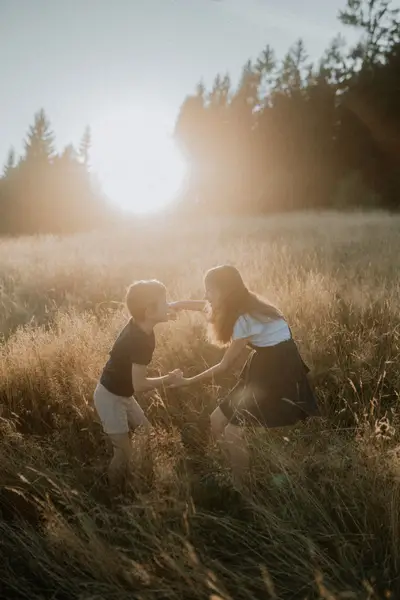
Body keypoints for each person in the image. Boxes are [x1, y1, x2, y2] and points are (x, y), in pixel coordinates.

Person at [170, 265, 320, 487]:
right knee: (216, 420)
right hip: (266, 365)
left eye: (209, 290)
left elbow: (224, 365)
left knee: (232, 429)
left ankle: (241, 488)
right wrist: (177, 305)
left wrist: (187, 381)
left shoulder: (245, 318)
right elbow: (205, 306)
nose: (206, 295)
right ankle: (230, 469)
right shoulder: (244, 302)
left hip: (275, 374)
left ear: (224, 291)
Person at [94, 280, 181, 489]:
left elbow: (149, 314)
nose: (168, 305)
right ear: (149, 311)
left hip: (123, 393)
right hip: (110, 398)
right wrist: (168, 379)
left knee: (147, 433)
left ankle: (141, 476)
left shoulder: (139, 322)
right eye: (164, 303)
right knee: (123, 454)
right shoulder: (139, 342)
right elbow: (140, 385)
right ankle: (114, 496)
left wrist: (164, 315)